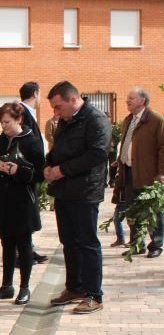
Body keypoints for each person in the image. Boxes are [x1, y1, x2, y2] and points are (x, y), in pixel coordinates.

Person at [45, 81, 112, 315]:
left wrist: (62, 170)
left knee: (87, 243)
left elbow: (98, 153)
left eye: (58, 106)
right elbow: (58, 149)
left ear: (73, 100)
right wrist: (49, 164)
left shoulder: (95, 119)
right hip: (64, 191)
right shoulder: (67, 119)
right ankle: (75, 287)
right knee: (69, 242)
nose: (56, 112)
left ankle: (94, 294)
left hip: (85, 191)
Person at [0, 103, 45, 305]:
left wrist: (18, 171)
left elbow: (39, 174)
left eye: (8, 122)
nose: (4, 126)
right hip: (3, 200)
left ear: (19, 120)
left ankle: (25, 286)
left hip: (23, 201)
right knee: (6, 243)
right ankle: (6, 285)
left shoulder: (32, 142)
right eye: (1, 122)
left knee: (24, 244)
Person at [113, 88, 163, 258]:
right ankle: (137, 244)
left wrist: (161, 173)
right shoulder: (128, 120)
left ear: (142, 100)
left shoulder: (156, 120)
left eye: (131, 98)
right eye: (127, 98)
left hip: (148, 174)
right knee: (132, 210)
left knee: (152, 211)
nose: (127, 101)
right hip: (128, 172)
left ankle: (156, 244)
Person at [17, 81, 50, 266]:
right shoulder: (22, 113)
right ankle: (22, 252)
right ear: (35, 93)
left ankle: (28, 249)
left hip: (31, 173)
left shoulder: (28, 113)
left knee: (29, 214)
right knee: (25, 214)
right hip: (25, 173)